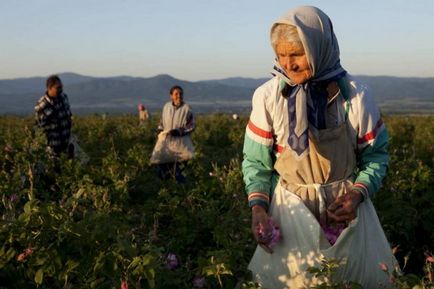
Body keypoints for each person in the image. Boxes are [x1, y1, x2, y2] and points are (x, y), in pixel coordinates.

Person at [242, 6, 397, 289]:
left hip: (343, 206)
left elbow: (375, 155)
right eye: (281, 55)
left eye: (297, 54)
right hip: (290, 209)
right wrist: (259, 209)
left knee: (354, 277)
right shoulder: (269, 97)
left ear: (318, 47)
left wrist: (356, 195)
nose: (288, 64)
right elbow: (256, 163)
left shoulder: (355, 96)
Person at [156, 85, 195, 182]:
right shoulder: (166, 107)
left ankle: (182, 190)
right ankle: (167, 188)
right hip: (167, 144)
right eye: (176, 94)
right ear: (171, 96)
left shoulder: (187, 109)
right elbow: (162, 122)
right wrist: (160, 131)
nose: (179, 96)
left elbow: (192, 126)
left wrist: (178, 131)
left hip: (180, 144)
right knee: (163, 168)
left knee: (179, 169)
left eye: (181, 94)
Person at [35, 75, 73, 158]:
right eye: (58, 88)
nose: (61, 90)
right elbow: (40, 128)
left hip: (67, 143)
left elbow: (69, 115)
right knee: (56, 169)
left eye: (61, 87)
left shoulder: (63, 97)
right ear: (49, 88)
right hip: (53, 147)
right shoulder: (42, 106)